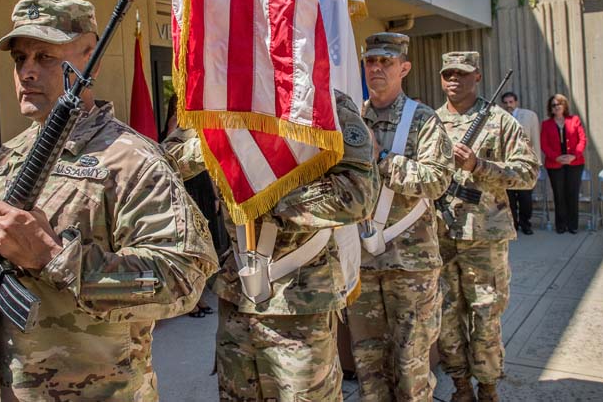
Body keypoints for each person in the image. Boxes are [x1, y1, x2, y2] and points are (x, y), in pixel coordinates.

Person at [0, 0, 219, 400]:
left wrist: (54, 258)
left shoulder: (131, 160)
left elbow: (185, 277)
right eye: (20, 58)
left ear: (90, 59)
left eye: (45, 57)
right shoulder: (7, 159)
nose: (27, 71)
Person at [165, 92, 380, 400]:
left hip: (300, 300)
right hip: (239, 294)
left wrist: (266, 190)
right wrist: (215, 146)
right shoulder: (222, 96)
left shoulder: (324, 100)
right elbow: (167, 161)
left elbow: (359, 197)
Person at [345, 33, 453, 402]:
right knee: (368, 365)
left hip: (411, 264)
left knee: (412, 367)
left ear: (403, 68)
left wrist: (383, 160)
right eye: (371, 61)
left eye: (386, 62)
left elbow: (437, 180)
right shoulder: (351, 118)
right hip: (362, 260)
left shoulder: (423, 119)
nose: (376, 68)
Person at [435, 52, 539, 402]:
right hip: (441, 236)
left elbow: (528, 174)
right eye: (448, 73)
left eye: (462, 74)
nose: (454, 79)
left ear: (476, 77)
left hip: (485, 238)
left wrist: (479, 165)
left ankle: (488, 387)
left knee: (485, 318)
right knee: (447, 319)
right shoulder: (430, 122)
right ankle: (461, 386)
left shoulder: (500, 121)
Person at [161, 93, 224, 318]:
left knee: (207, 241)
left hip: (202, 183)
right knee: (191, 245)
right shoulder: (180, 122)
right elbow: (168, 156)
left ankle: (198, 297)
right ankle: (192, 300)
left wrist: (216, 195)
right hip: (188, 185)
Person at [541, 93, 587, 234]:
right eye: (553, 105)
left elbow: (582, 140)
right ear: (551, 108)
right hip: (555, 164)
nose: (556, 107)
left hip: (575, 163)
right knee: (559, 195)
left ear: (564, 105)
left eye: (559, 104)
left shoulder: (574, 120)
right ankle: (561, 225)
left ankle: (573, 225)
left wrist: (574, 155)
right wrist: (556, 157)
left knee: (572, 194)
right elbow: (544, 144)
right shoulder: (546, 124)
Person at [501, 91, 541, 235]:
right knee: (509, 199)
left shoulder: (529, 116)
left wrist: (537, 163)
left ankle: (526, 224)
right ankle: (514, 225)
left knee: (525, 198)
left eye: (511, 102)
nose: (508, 105)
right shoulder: (499, 117)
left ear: (516, 102)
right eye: (505, 103)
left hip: (524, 163)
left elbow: (535, 139)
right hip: (506, 164)